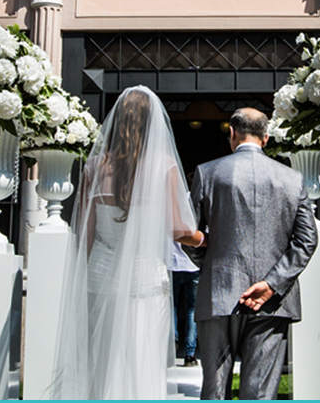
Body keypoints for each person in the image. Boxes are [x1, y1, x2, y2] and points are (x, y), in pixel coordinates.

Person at [50, 85, 205, 400]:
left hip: (101, 276)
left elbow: (84, 232)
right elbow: (176, 229)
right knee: (141, 357)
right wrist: (204, 238)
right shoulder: (163, 165)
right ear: (152, 124)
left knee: (103, 357)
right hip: (145, 278)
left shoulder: (94, 167)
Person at [189, 107, 318, 401]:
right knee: (259, 393)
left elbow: (190, 234)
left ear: (232, 134)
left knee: (214, 390)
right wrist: (272, 283)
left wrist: (210, 265)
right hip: (272, 300)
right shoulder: (292, 178)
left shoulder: (207, 172)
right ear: (266, 138)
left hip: (218, 291)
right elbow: (307, 240)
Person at [171, 238, 200, 366]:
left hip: (172, 262)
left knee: (172, 305)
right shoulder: (195, 218)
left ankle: (172, 343)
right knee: (192, 309)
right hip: (192, 264)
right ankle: (190, 354)